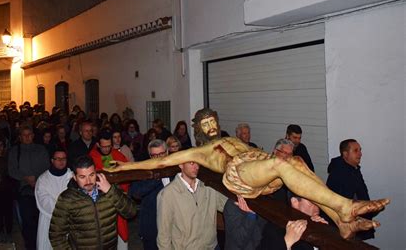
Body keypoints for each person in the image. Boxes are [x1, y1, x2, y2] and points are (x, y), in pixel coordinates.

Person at [105, 108, 389, 239]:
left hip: (255, 162)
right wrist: (125, 166)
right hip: (239, 173)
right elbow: (157, 163)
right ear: (198, 129)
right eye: (205, 124)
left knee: (298, 163)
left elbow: (259, 154)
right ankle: (345, 206)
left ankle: (341, 219)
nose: (211, 126)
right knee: (280, 165)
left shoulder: (233, 139)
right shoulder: (198, 152)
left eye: (213, 120)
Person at [49, 156, 137, 249]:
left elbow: (131, 212)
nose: (88, 181)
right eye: (82, 177)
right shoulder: (67, 198)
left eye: (91, 175)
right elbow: (56, 235)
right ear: (74, 177)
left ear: (96, 173)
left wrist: (110, 190)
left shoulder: (110, 189)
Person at [8, 125, 50, 249]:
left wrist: (37, 178)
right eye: (24, 135)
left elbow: (46, 167)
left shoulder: (41, 149)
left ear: (33, 136)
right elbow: (12, 170)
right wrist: (25, 178)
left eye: (29, 135)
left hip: (41, 189)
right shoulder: (15, 151)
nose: (27, 137)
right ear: (20, 137)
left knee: (41, 220)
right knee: (27, 222)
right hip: (24, 190)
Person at [326, 139, 376, 240]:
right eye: (356, 151)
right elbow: (344, 203)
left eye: (360, 150)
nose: (360, 154)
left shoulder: (354, 169)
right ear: (345, 154)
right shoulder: (339, 173)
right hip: (348, 227)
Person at [89, 129, 130, 249]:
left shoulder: (118, 155)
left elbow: (127, 173)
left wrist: (123, 190)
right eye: (104, 146)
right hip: (100, 202)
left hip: (117, 197)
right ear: (97, 145)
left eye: (109, 146)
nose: (107, 149)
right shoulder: (91, 157)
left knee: (120, 230)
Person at [129, 139, 171, 250]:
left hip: (173, 226)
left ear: (167, 152)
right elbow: (135, 192)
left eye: (161, 154)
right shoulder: (143, 170)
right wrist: (157, 178)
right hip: (152, 227)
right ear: (150, 156)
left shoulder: (175, 169)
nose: (158, 158)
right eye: (154, 155)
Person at [35, 149, 73, 250]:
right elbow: (44, 201)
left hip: (70, 221)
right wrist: (63, 209)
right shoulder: (43, 179)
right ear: (52, 160)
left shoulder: (72, 177)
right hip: (49, 220)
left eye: (64, 158)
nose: (61, 161)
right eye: (58, 158)